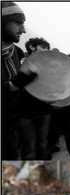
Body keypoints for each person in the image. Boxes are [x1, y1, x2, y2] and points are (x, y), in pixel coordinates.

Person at [2, 1, 36, 159]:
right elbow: (15, 84)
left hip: (14, 120)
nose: (23, 30)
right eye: (18, 23)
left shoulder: (17, 51)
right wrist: (14, 84)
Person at [20, 37, 52, 159]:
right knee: (29, 148)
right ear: (32, 47)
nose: (46, 50)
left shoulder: (48, 67)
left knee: (42, 144)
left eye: (47, 48)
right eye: (43, 47)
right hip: (26, 113)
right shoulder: (21, 62)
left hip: (44, 111)